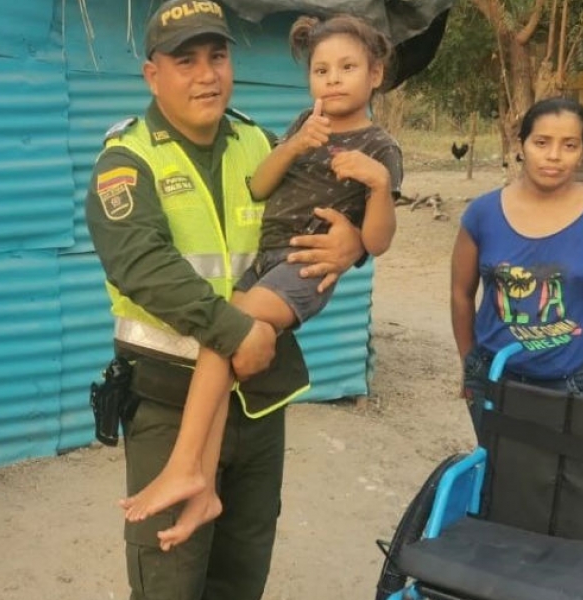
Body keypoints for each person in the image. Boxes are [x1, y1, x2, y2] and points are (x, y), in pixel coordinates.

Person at [85, 2, 370, 598]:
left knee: (243, 573)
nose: (206, 74)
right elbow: (139, 263)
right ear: (151, 75)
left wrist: (351, 246)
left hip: (258, 401)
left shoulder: (263, 143)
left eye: (217, 56)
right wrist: (234, 330)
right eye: (185, 61)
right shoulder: (128, 158)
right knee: (171, 576)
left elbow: (315, 223)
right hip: (169, 403)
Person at [450, 97, 583, 437]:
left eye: (569, 145)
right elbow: (461, 294)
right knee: (501, 477)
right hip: (494, 377)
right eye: (541, 142)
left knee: (571, 482)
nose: (553, 156)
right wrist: (469, 364)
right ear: (521, 145)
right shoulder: (483, 213)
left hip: (573, 382)